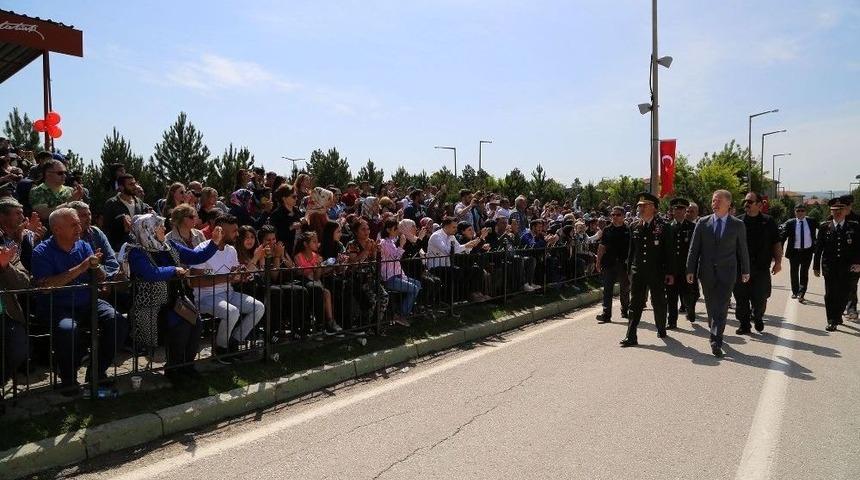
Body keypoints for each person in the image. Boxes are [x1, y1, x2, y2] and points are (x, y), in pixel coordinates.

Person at [31, 208, 129, 394]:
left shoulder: (83, 245)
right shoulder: (41, 252)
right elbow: (47, 285)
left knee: (118, 322)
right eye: (73, 224)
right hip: (58, 306)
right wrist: (82, 267)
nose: (80, 227)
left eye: (79, 223)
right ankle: (69, 379)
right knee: (68, 331)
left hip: (87, 301)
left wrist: (98, 269)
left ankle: (97, 373)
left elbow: (96, 274)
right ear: (57, 229)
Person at [123, 214, 221, 377]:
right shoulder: (136, 252)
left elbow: (195, 257)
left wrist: (214, 243)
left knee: (196, 324)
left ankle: (187, 365)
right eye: (159, 226)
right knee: (181, 326)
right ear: (149, 230)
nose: (164, 229)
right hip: (152, 304)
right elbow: (150, 273)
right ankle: (174, 368)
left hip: (175, 297)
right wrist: (173, 270)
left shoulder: (169, 245)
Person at [189, 215, 266, 362]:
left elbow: (233, 273)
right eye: (234, 231)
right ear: (222, 232)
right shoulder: (202, 249)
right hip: (206, 297)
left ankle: (234, 342)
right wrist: (227, 278)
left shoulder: (231, 250)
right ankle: (220, 349)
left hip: (228, 293)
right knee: (232, 312)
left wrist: (240, 274)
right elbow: (194, 282)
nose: (237, 234)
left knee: (258, 307)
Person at [686, 190, 750, 357]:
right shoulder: (702, 222)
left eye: (718, 201)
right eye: (713, 200)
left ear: (728, 203)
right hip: (706, 272)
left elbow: (743, 250)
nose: (714, 203)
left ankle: (716, 340)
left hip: (727, 273)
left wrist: (745, 270)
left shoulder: (737, 225)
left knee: (721, 306)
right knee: (711, 305)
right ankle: (713, 325)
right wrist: (690, 269)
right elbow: (694, 248)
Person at [619, 193, 675, 347]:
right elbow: (632, 251)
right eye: (639, 206)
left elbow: (669, 252)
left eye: (643, 206)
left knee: (658, 302)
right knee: (635, 303)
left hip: (657, 271)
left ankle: (661, 327)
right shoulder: (635, 226)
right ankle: (631, 336)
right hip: (638, 272)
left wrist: (670, 272)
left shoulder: (663, 227)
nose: (640, 208)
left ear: (653, 208)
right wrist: (630, 270)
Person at [734, 192, 781, 335]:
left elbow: (776, 243)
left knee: (760, 297)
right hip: (741, 268)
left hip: (761, 268)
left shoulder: (768, 221)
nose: (746, 204)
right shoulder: (738, 221)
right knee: (741, 298)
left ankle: (758, 316)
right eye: (745, 201)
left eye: (750, 201)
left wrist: (778, 262)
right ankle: (744, 324)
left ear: (760, 205)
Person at [813, 197, 860, 331]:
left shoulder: (854, 227)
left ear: (845, 211)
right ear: (831, 212)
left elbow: (858, 247)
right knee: (830, 294)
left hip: (847, 267)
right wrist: (816, 266)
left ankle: (838, 314)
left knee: (844, 293)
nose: (837, 212)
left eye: (840, 210)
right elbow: (818, 249)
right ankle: (831, 320)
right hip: (830, 267)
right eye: (834, 210)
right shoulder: (824, 227)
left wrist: (858, 263)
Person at [379, 218, 422, 326]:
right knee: (414, 288)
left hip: (398, 275)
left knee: (418, 284)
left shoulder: (392, 242)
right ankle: (401, 314)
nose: (398, 231)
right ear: (388, 230)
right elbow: (395, 258)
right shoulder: (384, 242)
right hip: (389, 277)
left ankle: (405, 310)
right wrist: (402, 245)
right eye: (396, 229)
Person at [665, 198, 697, 327]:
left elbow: (695, 248)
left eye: (682, 209)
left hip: (686, 269)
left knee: (688, 294)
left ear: (685, 211)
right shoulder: (667, 227)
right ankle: (672, 321)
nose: (679, 211)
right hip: (671, 269)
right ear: (672, 211)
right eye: (676, 209)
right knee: (671, 297)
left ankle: (690, 310)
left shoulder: (692, 227)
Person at [595, 206, 630, 323]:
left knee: (624, 289)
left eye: (618, 215)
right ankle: (606, 313)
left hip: (623, 264)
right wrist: (598, 261)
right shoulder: (607, 230)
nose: (614, 217)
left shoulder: (628, 230)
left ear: (623, 216)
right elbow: (602, 246)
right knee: (607, 289)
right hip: (608, 263)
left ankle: (625, 309)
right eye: (613, 215)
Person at [102, 174, 150, 251]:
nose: (134, 187)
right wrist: (122, 226)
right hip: (120, 248)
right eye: (131, 184)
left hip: (140, 247)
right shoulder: (111, 204)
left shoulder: (139, 202)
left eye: (134, 184)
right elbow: (107, 229)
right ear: (121, 187)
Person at [781, 204, 816, 303]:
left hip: (807, 251)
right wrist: (779, 249)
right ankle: (795, 291)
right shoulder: (790, 223)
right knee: (794, 272)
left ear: (805, 212)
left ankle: (801, 293)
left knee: (804, 273)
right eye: (798, 211)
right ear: (794, 212)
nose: (800, 213)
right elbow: (783, 237)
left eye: (802, 211)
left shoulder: (811, 221)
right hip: (794, 252)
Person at [839, 195, 859, 321]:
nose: (845, 209)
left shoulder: (857, 220)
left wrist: (858, 262)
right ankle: (840, 309)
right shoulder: (833, 219)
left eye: (847, 206)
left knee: (852, 285)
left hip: (853, 260)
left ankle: (852, 310)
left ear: (850, 206)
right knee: (840, 286)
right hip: (838, 261)